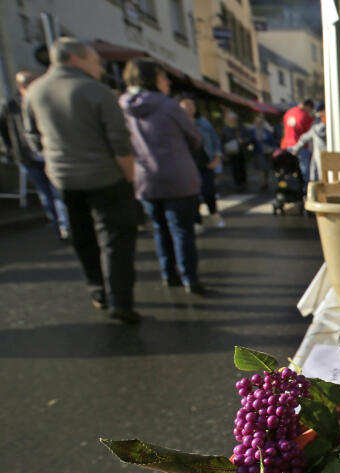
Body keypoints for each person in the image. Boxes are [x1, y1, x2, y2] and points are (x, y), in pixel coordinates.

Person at [23, 37, 141, 322]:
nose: (100, 68)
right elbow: (120, 144)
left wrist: (54, 162)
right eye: (95, 61)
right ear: (75, 59)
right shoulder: (96, 91)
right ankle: (120, 300)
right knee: (116, 239)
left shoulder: (35, 91)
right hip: (106, 178)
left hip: (64, 179)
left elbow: (32, 138)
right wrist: (131, 179)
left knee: (83, 237)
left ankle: (98, 290)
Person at [120, 58, 205, 295]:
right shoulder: (169, 106)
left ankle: (169, 274)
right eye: (163, 76)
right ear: (153, 79)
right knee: (181, 229)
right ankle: (190, 278)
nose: (167, 82)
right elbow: (194, 137)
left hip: (145, 178)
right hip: (177, 176)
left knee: (160, 228)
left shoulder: (122, 106)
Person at [0, 71, 70, 241]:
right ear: (22, 87)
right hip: (28, 157)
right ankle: (56, 224)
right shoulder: (10, 106)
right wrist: (10, 149)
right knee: (45, 193)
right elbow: (4, 129)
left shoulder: (46, 101)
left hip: (50, 155)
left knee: (57, 192)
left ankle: (65, 227)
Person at [179, 95, 224, 229]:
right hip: (187, 165)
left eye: (191, 104)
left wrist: (216, 159)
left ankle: (214, 214)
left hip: (204, 163)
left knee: (208, 191)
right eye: (185, 104)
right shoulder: (178, 124)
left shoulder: (204, 123)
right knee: (193, 196)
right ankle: (196, 221)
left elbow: (215, 142)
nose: (188, 107)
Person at [289, 103, 327, 181]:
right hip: (331, 156)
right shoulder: (335, 127)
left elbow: (304, 138)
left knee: (315, 175)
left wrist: (296, 149)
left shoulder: (315, 129)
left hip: (318, 155)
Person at [221, 110, 248, 191]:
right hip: (231, 152)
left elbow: (249, 138)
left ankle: (243, 182)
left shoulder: (242, 128)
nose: (233, 120)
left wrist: (243, 141)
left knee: (242, 167)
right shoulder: (226, 129)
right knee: (234, 168)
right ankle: (237, 183)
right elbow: (222, 141)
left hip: (242, 151)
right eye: (231, 119)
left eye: (234, 119)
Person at [250, 114, 277, 190]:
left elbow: (272, 139)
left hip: (268, 151)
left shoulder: (267, 129)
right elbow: (251, 140)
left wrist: (274, 147)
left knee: (267, 168)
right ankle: (263, 183)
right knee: (262, 168)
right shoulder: (252, 130)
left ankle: (266, 182)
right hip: (259, 151)